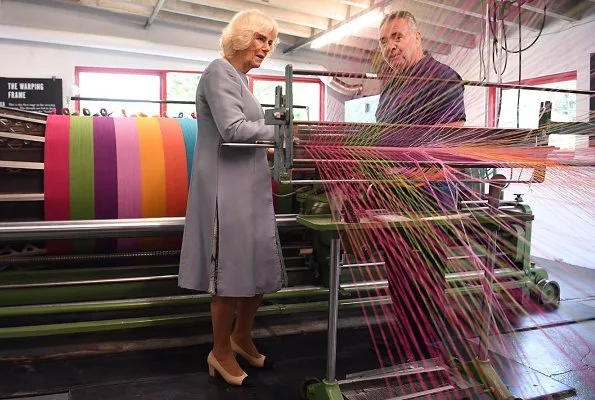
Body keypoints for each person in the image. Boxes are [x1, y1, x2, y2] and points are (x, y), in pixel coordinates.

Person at [178, 9, 286, 387]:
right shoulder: (218, 72)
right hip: (227, 190)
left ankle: (241, 337)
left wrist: (272, 148)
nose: (266, 48)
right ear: (241, 36)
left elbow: (248, 134)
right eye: (260, 38)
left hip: (248, 189)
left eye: (270, 42)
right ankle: (219, 350)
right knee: (228, 274)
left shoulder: (239, 79)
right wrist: (280, 134)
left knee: (254, 268)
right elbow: (233, 129)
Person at [375, 10, 466, 127]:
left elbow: (450, 139)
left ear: (417, 38)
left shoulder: (442, 79)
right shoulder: (389, 89)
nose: (390, 47)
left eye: (398, 37)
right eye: (383, 42)